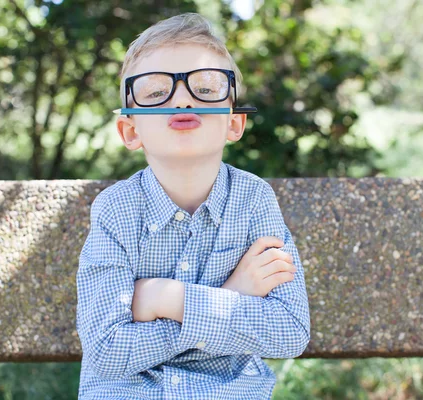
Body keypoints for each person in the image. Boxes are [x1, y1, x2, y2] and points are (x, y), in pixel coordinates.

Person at [75, 12, 310, 400]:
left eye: (205, 87)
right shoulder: (115, 210)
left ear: (234, 123)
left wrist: (168, 299)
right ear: (131, 130)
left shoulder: (253, 201)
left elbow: (289, 331)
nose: (182, 98)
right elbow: (106, 351)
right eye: (154, 92)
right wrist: (231, 295)